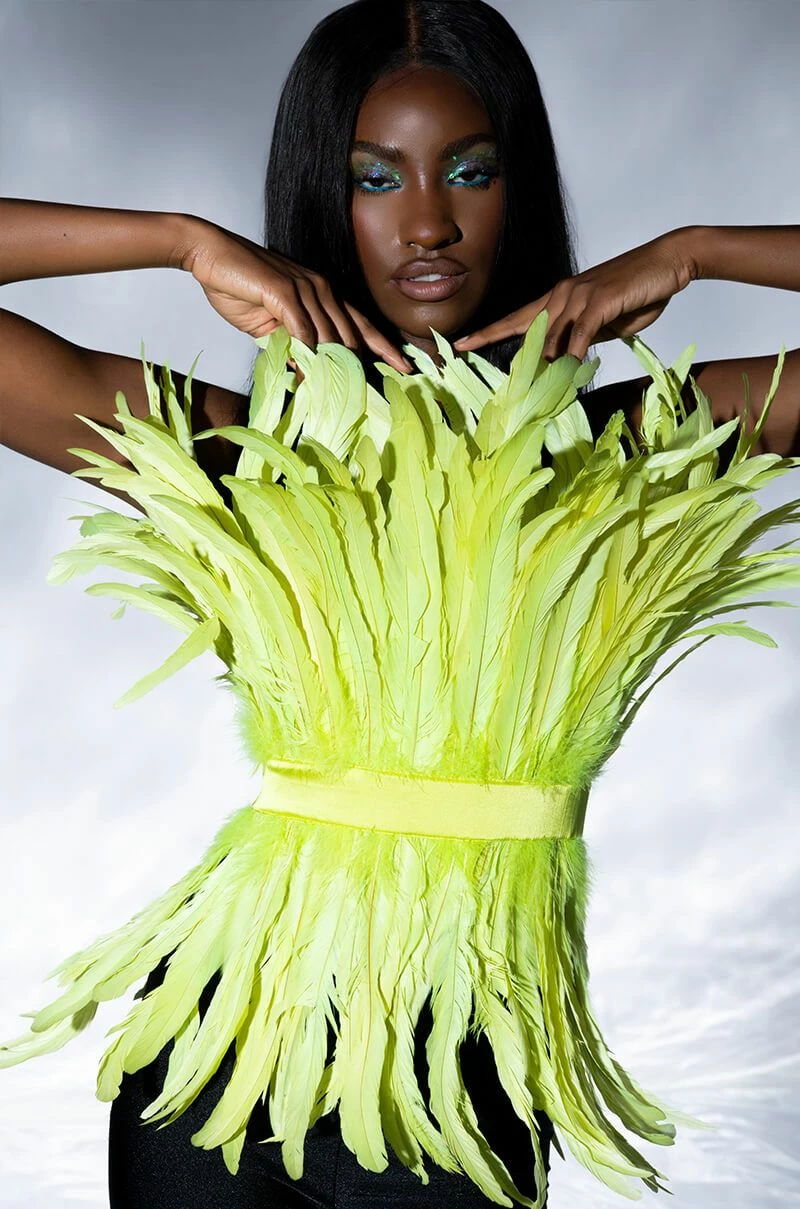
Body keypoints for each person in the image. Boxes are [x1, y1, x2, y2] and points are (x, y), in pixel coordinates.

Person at [1, 2, 799, 1207]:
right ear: (324, 199)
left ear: (517, 189)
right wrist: (178, 241)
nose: (426, 222)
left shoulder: (626, 448)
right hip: (214, 1068)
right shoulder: (237, 449)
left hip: (464, 1090)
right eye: (373, 178)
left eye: (468, 171)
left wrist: (695, 250)